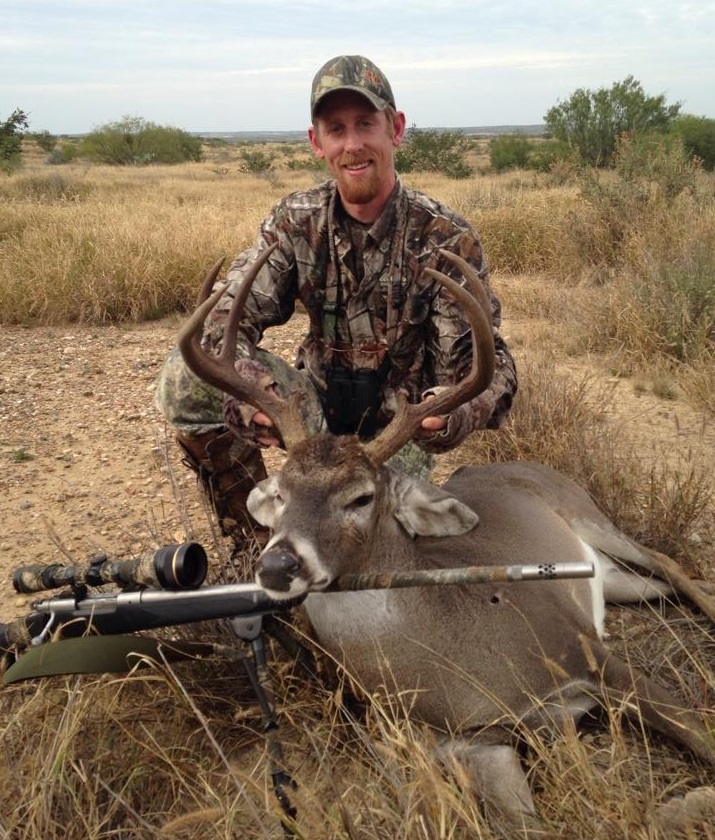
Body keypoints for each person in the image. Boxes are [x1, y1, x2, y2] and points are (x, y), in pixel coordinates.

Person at [155, 54, 517, 549]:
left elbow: (490, 369)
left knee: (377, 547)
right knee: (185, 371)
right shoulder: (296, 221)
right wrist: (249, 388)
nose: (352, 145)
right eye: (336, 129)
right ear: (316, 141)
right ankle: (253, 538)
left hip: (394, 435)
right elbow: (220, 323)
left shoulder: (446, 237)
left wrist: (450, 415)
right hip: (309, 417)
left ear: (396, 129)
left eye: (366, 124)